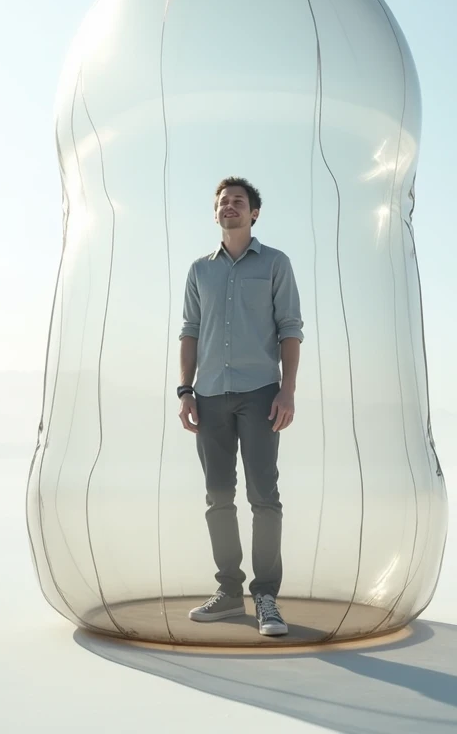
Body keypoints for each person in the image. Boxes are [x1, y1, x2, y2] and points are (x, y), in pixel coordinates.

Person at [177, 177, 303, 637]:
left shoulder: (275, 264)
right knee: (218, 496)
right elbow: (189, 331)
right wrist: (184, 390)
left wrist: (287, 391)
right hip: (208, 395)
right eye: (223, 202)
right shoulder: (199, 271)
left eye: (239, 201)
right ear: (216, 214)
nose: (230, 207)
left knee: (263, 496)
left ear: (254, 214)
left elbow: (290, 328)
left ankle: (266, 596)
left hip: (260, 394)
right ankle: (229, 592)